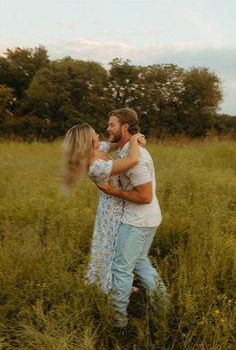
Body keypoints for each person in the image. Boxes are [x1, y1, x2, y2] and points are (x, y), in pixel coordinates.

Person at [98, 108, 167, 328]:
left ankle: (118, 323)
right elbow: (107, 146)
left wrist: (114, 192)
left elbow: (145, 196)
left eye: (112, 125)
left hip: (136, 221)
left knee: (121, 269)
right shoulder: (127, 149)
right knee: (140, 264)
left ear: (125, 127)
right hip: (146, 219)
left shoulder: (136, 158)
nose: (108, 129)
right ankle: (164, 311)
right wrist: (136, 141)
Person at [62, 123, 145, 294]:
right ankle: (112, 286)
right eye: (95, 135)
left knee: (108, 246)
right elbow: (132, 160)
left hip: (113, 204)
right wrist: (136, 140)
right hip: (112, 210)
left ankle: (110, 282)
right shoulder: (96, 166)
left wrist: (130, 137)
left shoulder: (98, 149)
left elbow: (116, 144)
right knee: (113, 248)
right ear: (87, 142)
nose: (99, 137)